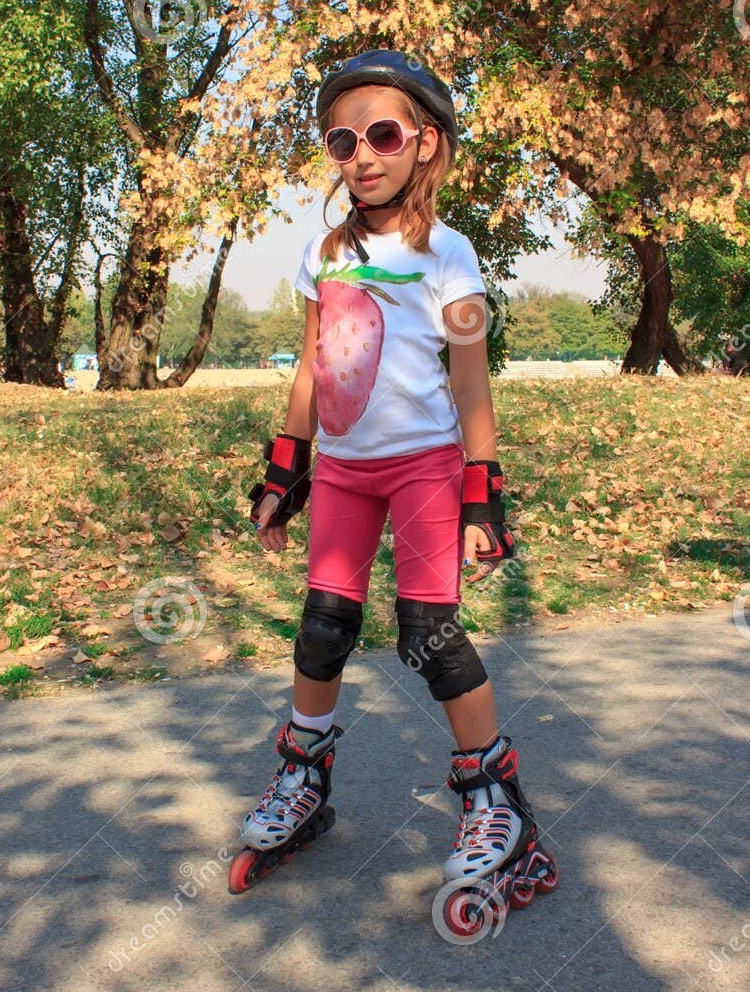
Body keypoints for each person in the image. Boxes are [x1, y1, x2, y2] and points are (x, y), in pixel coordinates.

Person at [233, 50, 555, 914]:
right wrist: (282, 472)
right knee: (322, 627)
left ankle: (496, 804)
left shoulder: (449, 254)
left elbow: (471, 381)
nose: (363, 154)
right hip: (340, 472)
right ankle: (302, 782)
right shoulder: (322, 254)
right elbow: (309, 367)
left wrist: (480, 495)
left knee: (429, 636)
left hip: (422, 469)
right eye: (344, 139)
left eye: (383, 134)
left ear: (426, 145)